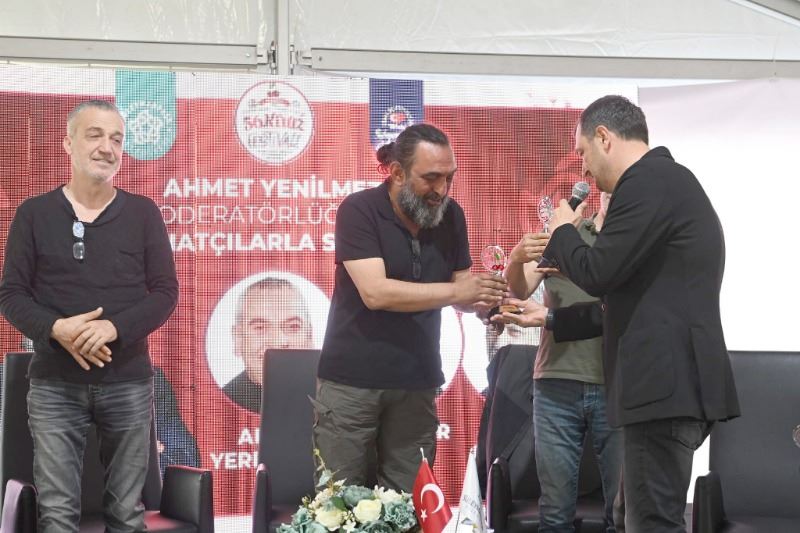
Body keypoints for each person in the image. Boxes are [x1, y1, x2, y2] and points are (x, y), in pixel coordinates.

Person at [542, 95, 740, 533]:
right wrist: (549, 319)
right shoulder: (665, 182)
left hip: (661, 388)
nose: (583, 169)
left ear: (604, 137)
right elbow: (633, 299)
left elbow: (598, 272)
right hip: (666, 387)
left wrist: (562, 232)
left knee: (651, 522)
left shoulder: (646, 182)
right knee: (631, 517)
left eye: (582, 153)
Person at [0, 100, 178, 533]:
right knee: (57, 515)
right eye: (94, 135)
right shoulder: (34, 214)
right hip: (55, 386)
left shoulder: (143, 213)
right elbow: (11, 294)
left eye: (116, 138)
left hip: (128, 382)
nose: (107, 147)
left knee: (127, 515)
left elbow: (165, 293)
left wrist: (113, 328)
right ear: (68, 143)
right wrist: (57, 329)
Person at [314, 123, 507, 492]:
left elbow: (461, 293)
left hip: (418, 382)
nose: (442, 190)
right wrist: (459, 291)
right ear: (397, 172)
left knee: (410, 502)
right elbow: (376, 293)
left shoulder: (452, 216)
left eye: (449, 178)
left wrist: (487, 302)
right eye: (431, 178)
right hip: (352, 383)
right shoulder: (359, 210)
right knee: (339, 502)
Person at [503, 191, 622, 533]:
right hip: (556, 382)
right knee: (555, 513)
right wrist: (515, 259)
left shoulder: (629, 240)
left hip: (616, 384)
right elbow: (521, 288)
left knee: (622, 511)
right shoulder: (568, 230)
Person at [223, 276, 315, 412]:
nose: (277, 342)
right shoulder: (217, 406)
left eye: (292, 326)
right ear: (238, 339)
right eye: (260, 327)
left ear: (310, 337)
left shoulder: (335, 402)